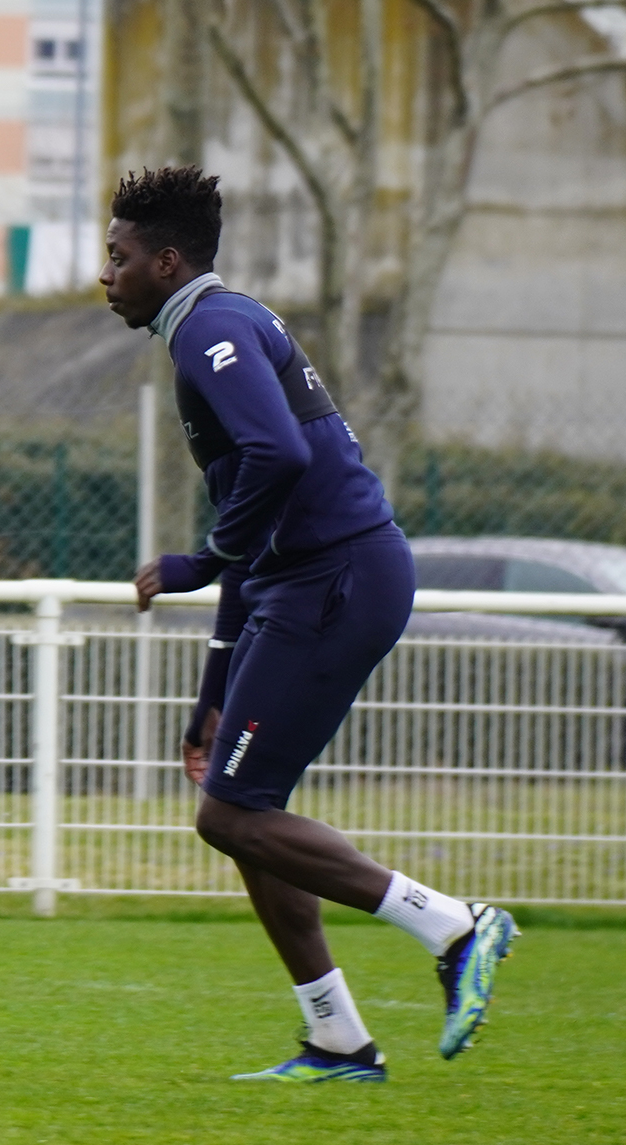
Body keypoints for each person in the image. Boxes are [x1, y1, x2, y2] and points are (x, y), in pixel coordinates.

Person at [100, 165, 518, 1083]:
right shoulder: (218, 322)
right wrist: (213, 699)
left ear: (167, 263)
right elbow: (261, 512)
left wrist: (198, 561)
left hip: (339, 576)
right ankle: (336, 1038)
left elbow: (278, 457)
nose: (106, 275)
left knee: (232, 816)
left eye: (119, 257)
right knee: (245, 812)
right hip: (309, 579)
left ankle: (455, 928)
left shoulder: (210, 326)